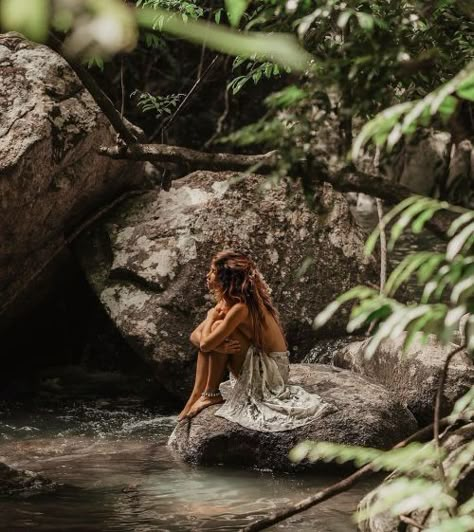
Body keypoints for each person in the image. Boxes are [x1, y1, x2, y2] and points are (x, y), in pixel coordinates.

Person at [177, 249, 329, 432]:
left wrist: (210, 318)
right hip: (258, 363)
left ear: (226, 279)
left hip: (272, 373)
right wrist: (220, 345)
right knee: (216, 333)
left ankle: (211, 394)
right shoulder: (228, 302)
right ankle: (198, 395)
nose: (207, 275)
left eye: (213, 272)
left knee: (216, 329)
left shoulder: (240, 308)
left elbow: (205, 343)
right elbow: (195, 336)